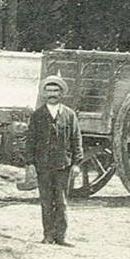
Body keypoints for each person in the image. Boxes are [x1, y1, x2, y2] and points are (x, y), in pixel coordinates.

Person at [23, 75, 83, 246]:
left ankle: (61, 236)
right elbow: (31, 141)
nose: (52, 94)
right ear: (44, 93)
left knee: (62, 202)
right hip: (43, 166)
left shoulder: (69, 115)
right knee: (46, 201)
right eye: (49, 91)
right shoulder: (37, 115)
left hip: (63, 165)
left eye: (56, 90)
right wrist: (30, 163)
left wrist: (77, 163)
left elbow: (76, 139)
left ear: (61, 93)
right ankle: (48, 235)